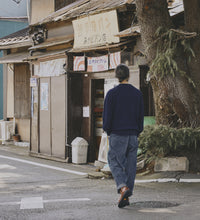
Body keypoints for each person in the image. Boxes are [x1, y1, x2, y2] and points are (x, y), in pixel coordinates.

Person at [103, 64, 144, 208]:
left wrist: (107, 130)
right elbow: (140, 116)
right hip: (133, 134)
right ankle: (126, 196)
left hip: (117, 133)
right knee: (130, 165)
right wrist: (138, 131)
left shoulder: (112, 94)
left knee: (113, 160)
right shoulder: (137, 94)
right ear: (128, 76)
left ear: (117, 76)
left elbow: (107, 116)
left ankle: (123, 187)